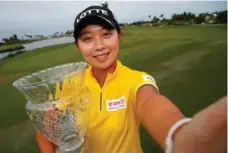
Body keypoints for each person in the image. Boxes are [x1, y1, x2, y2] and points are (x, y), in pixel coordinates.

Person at [36, 5, 227, 153]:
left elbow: (150, 103)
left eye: (106, 34)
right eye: (87, 39)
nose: (99, 46)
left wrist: (180, 135)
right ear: (78, 45)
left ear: (119, 36)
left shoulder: (136, 80)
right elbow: (45, 129)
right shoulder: (69, 84)